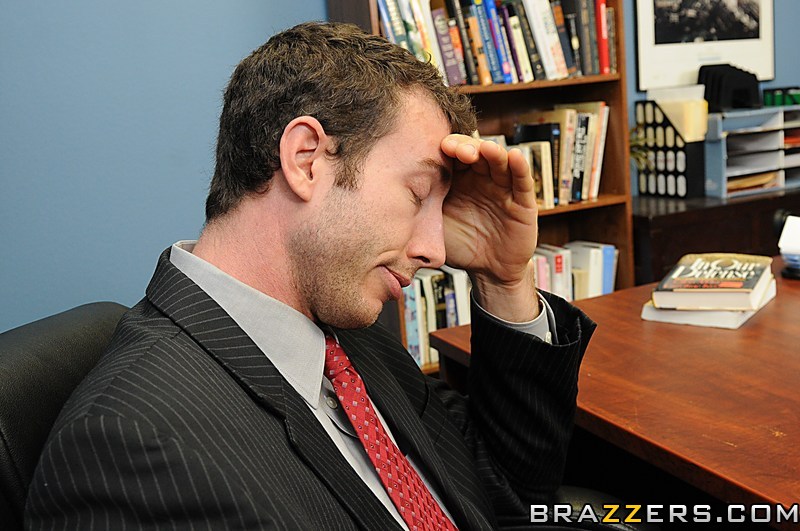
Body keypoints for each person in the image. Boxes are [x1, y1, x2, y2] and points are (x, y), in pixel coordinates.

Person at [26, 21, 594, 530]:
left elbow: (510, 496)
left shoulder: (347, 331)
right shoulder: (128, 447)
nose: (435, 251)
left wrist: (503, 279)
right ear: (306, 159)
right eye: (418, 193)